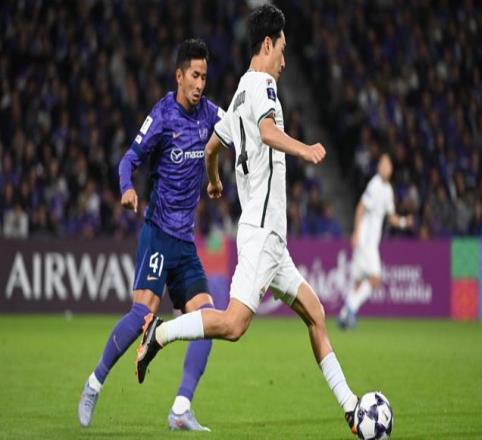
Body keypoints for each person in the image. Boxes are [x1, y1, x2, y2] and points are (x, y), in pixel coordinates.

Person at [135, 5, 360, 436]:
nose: (285, 61)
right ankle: (159, 333)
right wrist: (306, 149)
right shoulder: (263, 86)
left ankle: (351, 408)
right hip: (261, 231)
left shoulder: (239, 92)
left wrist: (214, 180)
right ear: (268, 44)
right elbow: (268, 132)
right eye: (283, 50)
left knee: (315, 314)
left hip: (272, 239)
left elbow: (211, 148)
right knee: (234, 324)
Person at [78, 38, 225, 431]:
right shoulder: (162, 115)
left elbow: (233, 130)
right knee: (142, 314)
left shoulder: (209, 112)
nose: (200, 84)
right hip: (158, 234)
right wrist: (127, 187)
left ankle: (180, 409)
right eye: (194, 76)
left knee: (208, 321)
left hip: (185, 243)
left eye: (204, 77)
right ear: (179, 76)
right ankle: (93, 384)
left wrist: (217, 177)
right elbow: (129, 158)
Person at [338, 153, 413, 329]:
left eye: (387, 164)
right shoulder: (375, 185)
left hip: (369, 242)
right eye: (382, 164)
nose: (384, 167)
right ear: (379, 167)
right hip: (366, 241)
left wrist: (404, 222)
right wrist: (356, 232)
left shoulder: (388, 190)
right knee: (375, 279)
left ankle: (344, 315)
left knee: (358, 282)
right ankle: (350, 309)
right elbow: (360, 207)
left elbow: (391, 218)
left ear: (391, 169)